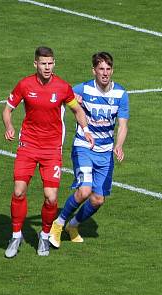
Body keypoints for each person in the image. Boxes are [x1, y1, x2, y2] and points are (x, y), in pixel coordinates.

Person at [2, 46, 93, 258]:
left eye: (50, 63)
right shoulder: (25, 85)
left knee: (51, 198)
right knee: (18, 191)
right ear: (35, 64)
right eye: (43, 64)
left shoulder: (62, 87)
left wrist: (86, 131)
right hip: (28, 145)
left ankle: (44, 236)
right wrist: (9, 126)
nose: (47, 67)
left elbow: (77, 110)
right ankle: (16, 235)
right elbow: (7, 109)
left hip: (52, 149)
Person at [49, 52, 129, 248]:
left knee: (97, 199)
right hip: (84, 147)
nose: (105, 73)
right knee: (84, 191)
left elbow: (123, 124)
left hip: (106, 152)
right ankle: (58, 224)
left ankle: (73, 226)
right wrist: (72, 99)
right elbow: (58, 96)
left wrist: (119, 145)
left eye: (108, 69)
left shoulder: (120, 94)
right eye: (101, 69)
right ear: (93, 70)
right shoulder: (82, 89)